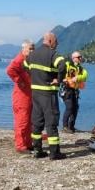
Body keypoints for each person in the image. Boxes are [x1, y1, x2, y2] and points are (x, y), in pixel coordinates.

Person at [24, 32, 66, 160]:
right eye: (56, 41)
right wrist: (58, 79)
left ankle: (37, 150)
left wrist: (34, 76)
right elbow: (63, 65)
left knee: (36, 122)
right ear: (50, 40)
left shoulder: (33, 54)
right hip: (48, 93)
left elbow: (25, 65)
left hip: (36, 93)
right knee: (51, 122)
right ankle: (54, 153)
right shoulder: (53, 54)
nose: (57, 43)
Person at [6, 40, 35, 154]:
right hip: (21, 96)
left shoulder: (28, 60)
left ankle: (28, 143)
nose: (33, 51)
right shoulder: (19, 59)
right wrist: (19, 81)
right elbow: (9, 70)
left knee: (29, 121)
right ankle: (20, 146)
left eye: (33, 48)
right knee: (22, 121)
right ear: (24, 49)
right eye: (30, 49)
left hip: (29, 95)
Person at [62, 51, 88, 133]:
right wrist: (62, 79)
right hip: (66, 90)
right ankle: (65, 127)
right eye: (79, 57)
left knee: (75, 108)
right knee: (69, 107)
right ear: (73, 58)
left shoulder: (80, 68)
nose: (80, 58)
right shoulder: (67, 65)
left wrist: (78, 77)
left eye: (81, 57)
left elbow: (85, 76)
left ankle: (71, 126)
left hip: (75, 91)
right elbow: (59, 73)